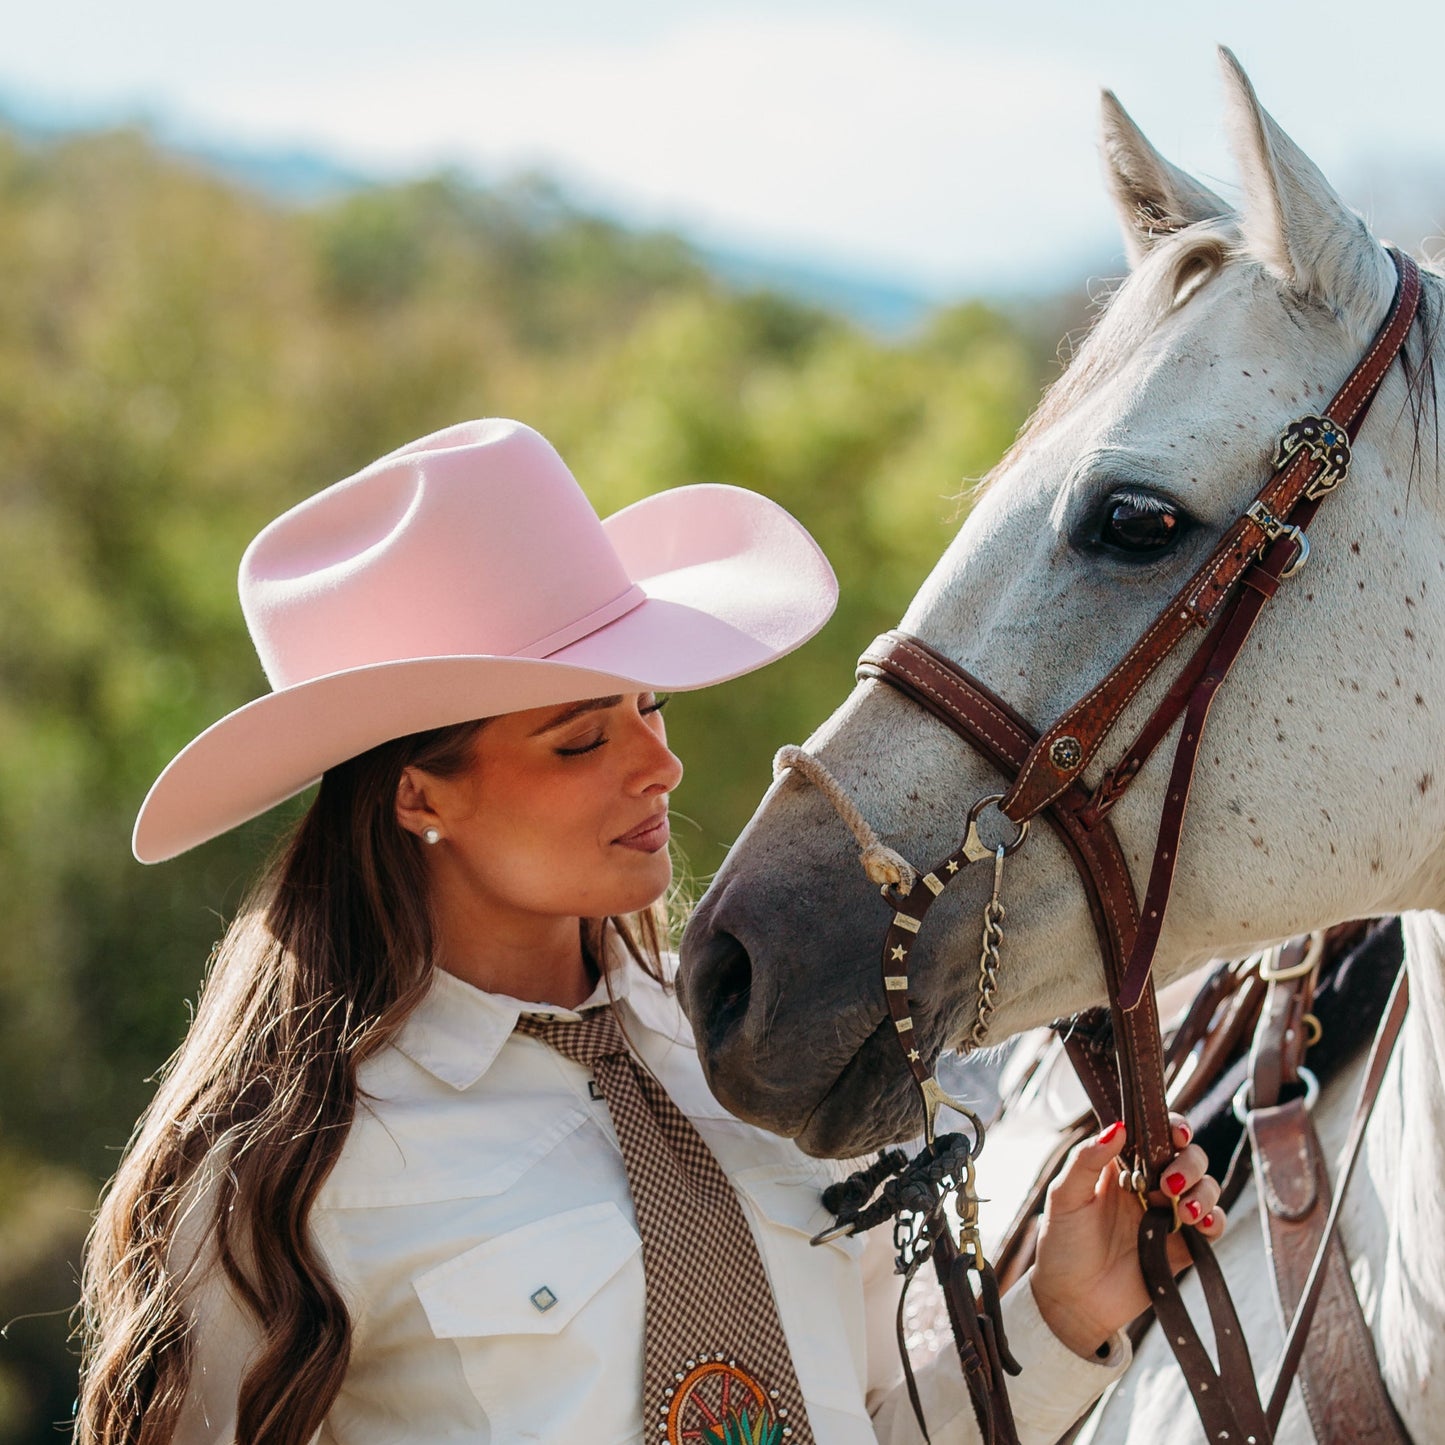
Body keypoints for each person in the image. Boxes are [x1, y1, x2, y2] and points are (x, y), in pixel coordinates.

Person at [77, 419, 1224, 1445]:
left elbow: (866, 1424)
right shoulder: (286, 1170)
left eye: (648, 706)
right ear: (418, 796)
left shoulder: (758, 1051)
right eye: (580, 740)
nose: (659, 764)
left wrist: (1061, 1309)